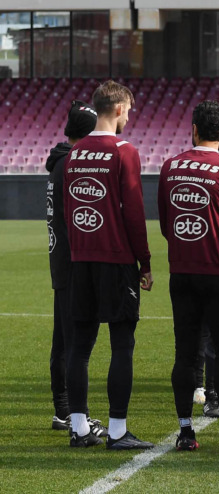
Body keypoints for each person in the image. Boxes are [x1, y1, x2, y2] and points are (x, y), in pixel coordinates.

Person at [158, 101, 219, 454]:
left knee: (186, 353)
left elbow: (167, 223)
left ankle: (185, 432)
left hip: (182, 273)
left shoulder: (171, 167)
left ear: (194, 129)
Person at [64, 80, 153, 450]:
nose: (129, 116)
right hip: (115, 261)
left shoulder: (75, 151)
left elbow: (71, 211)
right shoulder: (124, 150)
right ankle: (117, 431)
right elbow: (133, 212)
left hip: (80, 260)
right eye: (129, 110)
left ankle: (79, 427)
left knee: (80, 347)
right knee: (122, 345)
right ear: (117, 109)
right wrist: (144, 262)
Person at [46, 101, 101, 436]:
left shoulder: (60, 161)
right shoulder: (71, 164)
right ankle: (67, 412)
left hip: (61, 261)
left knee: (64, 340)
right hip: (72, 262)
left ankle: (63, 409)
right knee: (72, 342)